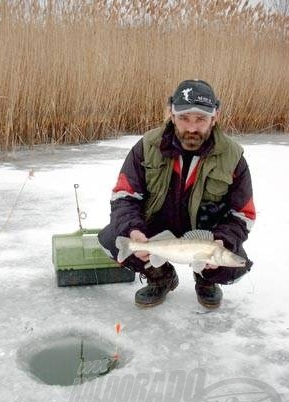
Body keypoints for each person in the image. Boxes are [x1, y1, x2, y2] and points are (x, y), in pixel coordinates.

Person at [98, 79, 255, 309]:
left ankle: (206, 280)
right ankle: (160, 275)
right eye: (184, 118)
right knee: (113, 240)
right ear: (172, 115)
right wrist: (133, 230)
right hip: (155, 232)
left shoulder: (233, 158)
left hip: (208, 235)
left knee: (235, 265)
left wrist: (225, 240)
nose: (192, 128)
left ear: (214, 117)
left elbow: (243, 215)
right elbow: (124, 196)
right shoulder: (147, 147)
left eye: (200, 119)